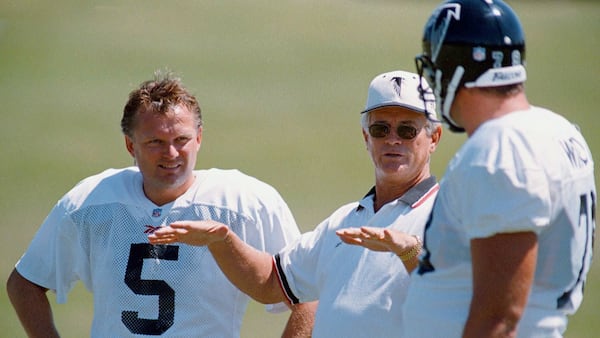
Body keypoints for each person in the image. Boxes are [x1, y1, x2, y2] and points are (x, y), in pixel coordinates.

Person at [6, 71, 314, 337]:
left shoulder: (244, 203)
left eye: (181, 139)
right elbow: (24, 284)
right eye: (155, 142)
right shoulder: (90, 202)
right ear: (131, 145)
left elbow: (308, 295)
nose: (170, 153)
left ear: (199, 138)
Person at [148, 70, 443, 337]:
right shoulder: (344, 221)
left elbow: (459, 298)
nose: (393, 140)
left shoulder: (448, 215)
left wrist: (411, 253)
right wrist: (223, 240)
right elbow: (271, 283)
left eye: (407, 130)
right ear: (366, 137)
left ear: (434, 138)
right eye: (381, 130)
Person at [397, 0, 596, 337]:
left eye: (434, 69)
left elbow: (499, 318)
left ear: (453, 68)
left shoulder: (501, 150)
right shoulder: (558, 130)